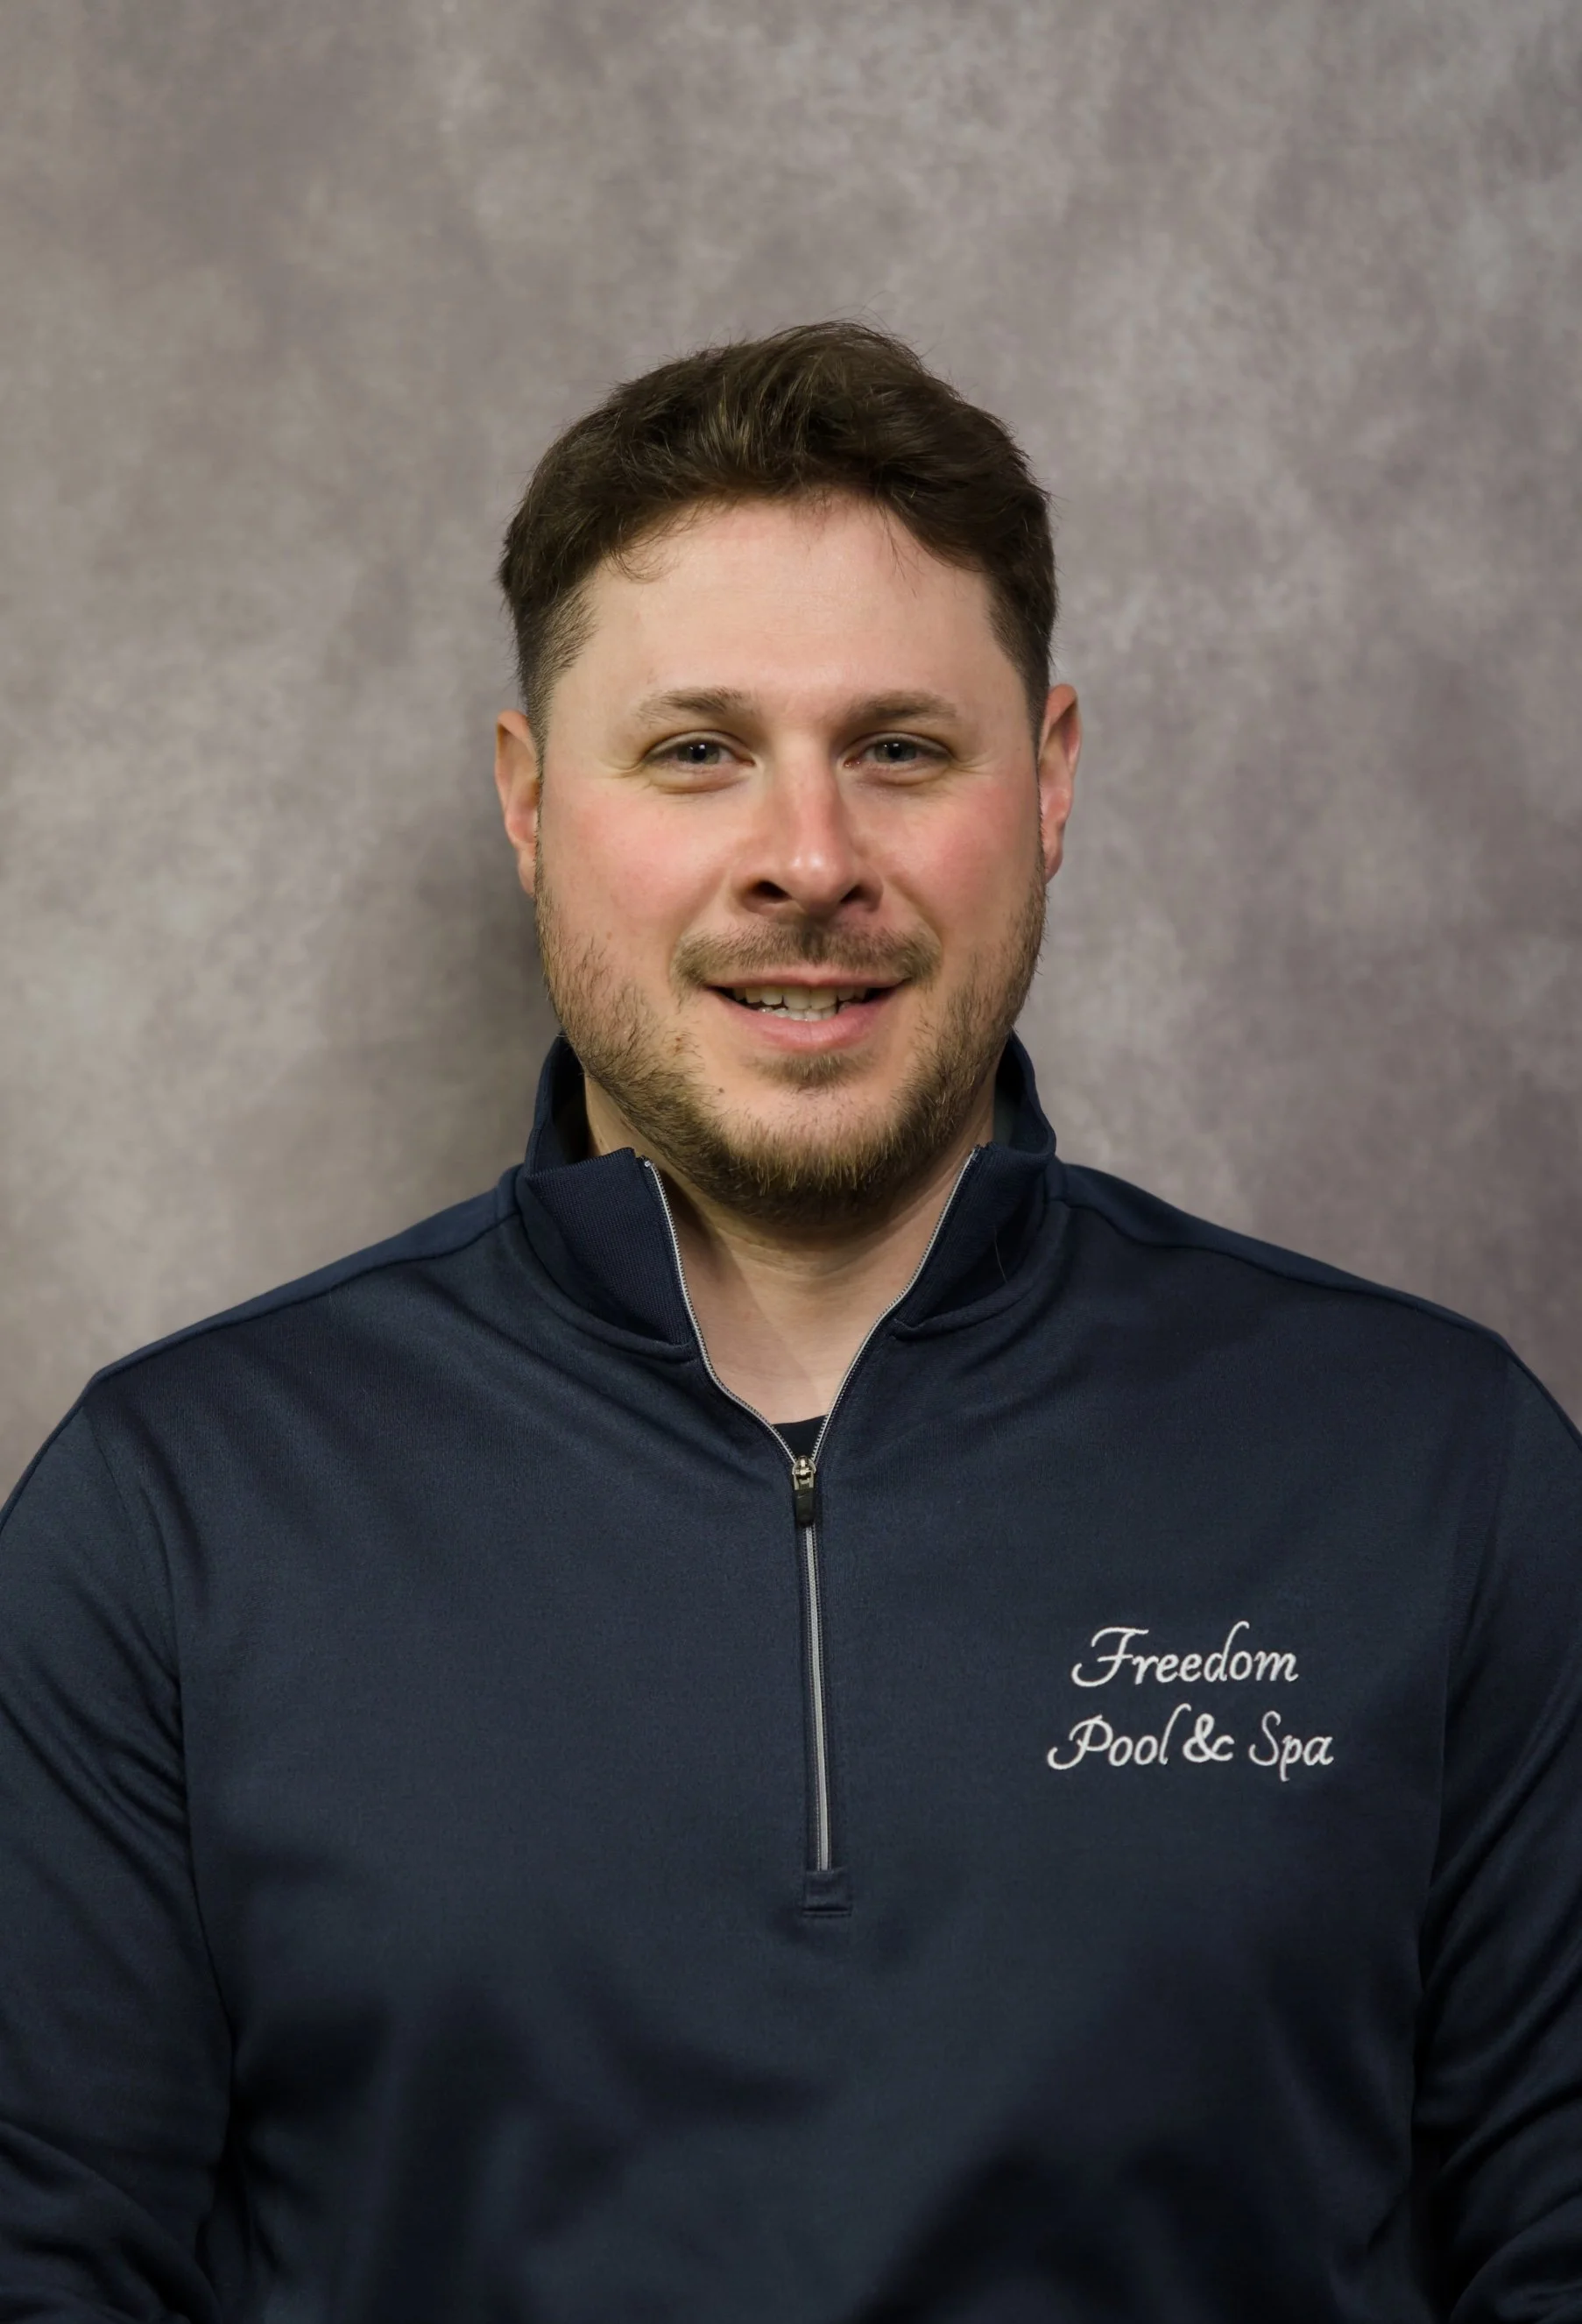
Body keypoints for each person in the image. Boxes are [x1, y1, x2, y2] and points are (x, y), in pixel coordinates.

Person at [1, 321, 1579, 2324]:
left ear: (1053, 779)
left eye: (900, 751)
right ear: (527, 801)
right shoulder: (169, 1522)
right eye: (696, 751)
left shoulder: (1441, 1476)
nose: (809, 861)